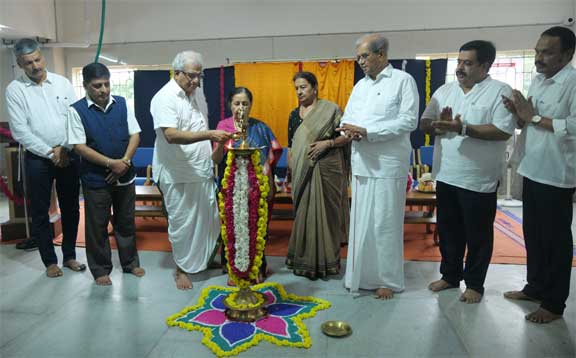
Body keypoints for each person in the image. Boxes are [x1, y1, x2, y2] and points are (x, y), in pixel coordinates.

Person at [420, 40, 515, 303]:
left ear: (485, 65)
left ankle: (475, 284)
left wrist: (461, 128)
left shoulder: (500, 91)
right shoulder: (445, 90)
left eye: (468, 63)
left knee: (478, 235)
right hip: (447, 174)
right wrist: (439, 126)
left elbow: (502, 130)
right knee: (449, 230)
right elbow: (425, 124)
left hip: (479, 178)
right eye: (459, 62)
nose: (460, 68)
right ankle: (450, 276)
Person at [502, 27, 576, 323]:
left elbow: (572, 126)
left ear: (568, 54)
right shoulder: (539, 81)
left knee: (555, 241)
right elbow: (530, 123)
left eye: (547, 52)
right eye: (537, 51)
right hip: (532, 167)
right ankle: (535, 287)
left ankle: (554, 304)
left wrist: (531, 116)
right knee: (533, 234)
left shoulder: (573, 82)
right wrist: (519, 113)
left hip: (557, 173)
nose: (539, 58)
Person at [337, 34, 419, 299]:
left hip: (387, 164)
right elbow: (349, 116)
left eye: (364, 56)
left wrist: (368, 131)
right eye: (358, 57)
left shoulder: (403, 81)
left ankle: (387, 280)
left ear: (381, 53)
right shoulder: (361, 86)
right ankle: (358, 275)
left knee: (385, 223)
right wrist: (349, 130)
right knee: (361, 224)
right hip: (362, 162)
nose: (360, 62)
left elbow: (408, 121)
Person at [151, 50, 232, 290]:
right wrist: (209, 135)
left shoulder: (196, 94)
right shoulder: (164, 97)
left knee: (208, 221)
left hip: (202, 170)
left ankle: (203, 261)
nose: (196, 81)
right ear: (176, 73)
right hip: (177, 174)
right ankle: (181, 269)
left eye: (199, 76)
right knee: (182, 223)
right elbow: (171, 135)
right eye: (191, 76)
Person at [5, 38, 84, 277]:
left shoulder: (62, 84)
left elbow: (75, 118)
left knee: (71, 207)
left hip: (68, 153)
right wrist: (51, 152)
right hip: (38, 159)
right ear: (20, 64)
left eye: (37, 59)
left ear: (43, 56)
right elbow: (20, 131)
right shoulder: (15, 90)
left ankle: (69, 256)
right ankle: (50, 261)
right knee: (39, 210)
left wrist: (64, 148)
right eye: (28, 63)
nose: (35, 66)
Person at [67, 62, 145, 285]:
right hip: (95, 179)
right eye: (97, 86)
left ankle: (130, 263)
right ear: (85, 86)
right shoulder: (76, 110)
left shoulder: (121, 104)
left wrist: (124, 162)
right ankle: (100, 269)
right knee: (97, 226)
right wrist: (111, 164)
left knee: (126, 222)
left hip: (125, 174)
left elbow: (135, 135)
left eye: (106, 84)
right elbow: (79, 147)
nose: (103, 90)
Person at [212, 87, 283, 283]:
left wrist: (268, 185)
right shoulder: (223, 126)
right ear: (230, 105)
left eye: (245, 103)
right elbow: (216, 159)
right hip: (231, 187)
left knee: (256, 226)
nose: (241, 108)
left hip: (256, 188)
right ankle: (233, 271)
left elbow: (270, 159)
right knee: (232, 227)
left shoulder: (260, 127)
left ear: (251, 105)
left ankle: (257, 267)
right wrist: (221, 142)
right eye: (237, 103)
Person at [285, 71, 351, 280]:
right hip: (301, 173)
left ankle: (327, 263)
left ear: (314, 88)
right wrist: (292, 171)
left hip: (327, 171)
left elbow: (346, 137)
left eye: (303, 87)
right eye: (296, 88)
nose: (299, 92)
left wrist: (328, 143)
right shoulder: (294, 115)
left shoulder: (330, 110)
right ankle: (303, 261)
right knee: (304, 216)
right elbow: (291, 148)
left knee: (328, 216)